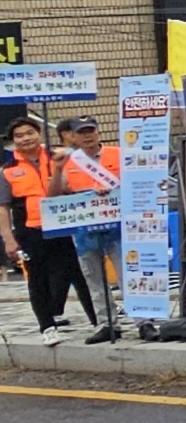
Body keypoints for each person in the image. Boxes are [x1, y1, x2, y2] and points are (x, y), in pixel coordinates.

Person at [2, 116, 94, 339]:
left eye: (29, 133)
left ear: (39, 134)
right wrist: (9, 239)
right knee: (37, 278)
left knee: (80, 273)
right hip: (31, 230)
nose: (25, 139)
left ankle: (99, 320)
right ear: (13, 141)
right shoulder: (8, 170)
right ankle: (47, 326)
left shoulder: (58, 157)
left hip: (65, 225)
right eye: (19, 136)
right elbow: (3, 208)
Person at [47, 114, 121, 341]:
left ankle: (143, 321)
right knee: (93, 276)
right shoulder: (67, 161)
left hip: (118, 224)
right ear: (73, 137)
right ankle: (106, 323)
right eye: (81, 132)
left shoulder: (117, 154)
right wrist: (58, 170)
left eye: (91, 130)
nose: (87, 136)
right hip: (84, 228)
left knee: (128, 274)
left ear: (98, 131)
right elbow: (54, 195)